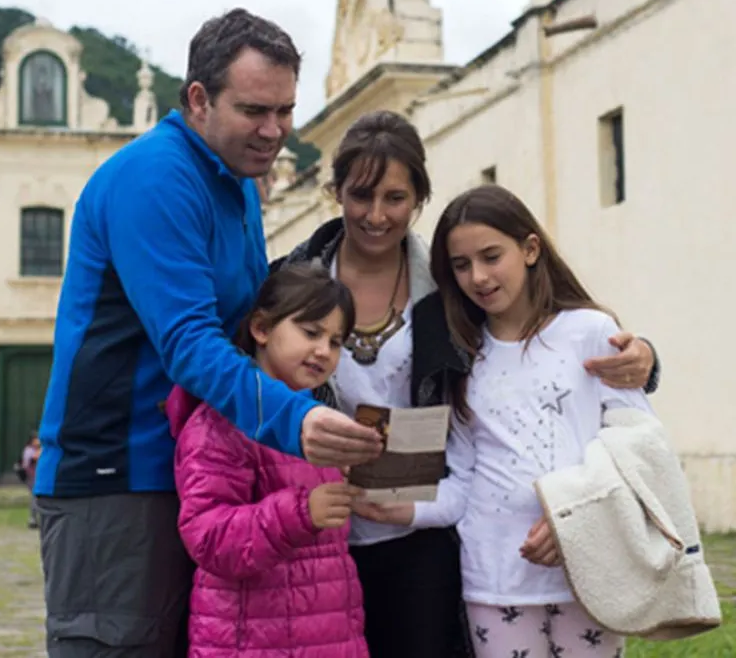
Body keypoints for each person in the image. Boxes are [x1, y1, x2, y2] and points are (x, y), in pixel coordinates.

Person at [33, 8, 382, 658]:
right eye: (254, 110)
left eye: (285, 110)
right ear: (198, 98)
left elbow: (255, 319)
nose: (274, 130)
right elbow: (192, 342)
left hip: (188, 471)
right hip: (118, 472)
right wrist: (296, 422)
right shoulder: (156, 178)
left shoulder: (238, 183)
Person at [273, 111, 660, 658]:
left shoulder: (452, 291)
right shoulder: (291, 278)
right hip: (320, 526)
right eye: (361, 195)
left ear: (419, 199)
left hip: (428, 534)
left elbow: (540, 345)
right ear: (336, 192)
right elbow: (250, 361)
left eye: (396, 198)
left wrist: (644, 359)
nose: (377, 215)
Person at [168, 264, 369, 657]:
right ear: (261, 328)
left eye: (336, 341)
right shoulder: (220, 424)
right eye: (311, 333)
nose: (323, 351)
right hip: (250, 642)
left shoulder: (320, 419)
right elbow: (209, 537)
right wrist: (301, 512)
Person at [20, 431, 41, 529]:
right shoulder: (29, 450)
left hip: (37, 477)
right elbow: (33, 459)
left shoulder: (35, 449)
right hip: (32, 477)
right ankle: (32, 519)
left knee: (37, 498)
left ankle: (35, 518)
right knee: (35, 498)